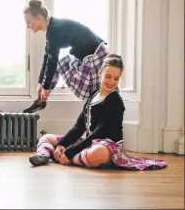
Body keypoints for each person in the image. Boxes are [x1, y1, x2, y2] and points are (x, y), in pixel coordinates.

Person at [28, 54, 167, 171]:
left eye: (116, 78)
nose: (111, 82)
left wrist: (70, 152)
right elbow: (78, 127)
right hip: (88, 143)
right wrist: (61, 145)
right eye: (108, 76)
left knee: (97, 153)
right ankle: (44, 156)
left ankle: (64, 158)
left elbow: (99, 133)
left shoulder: (114, 100)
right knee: (46, 138)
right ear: (100, 73)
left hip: (106, 147)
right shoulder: (93, 95)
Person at [22, 0, 110, 113]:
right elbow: (47, 58)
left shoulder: (54, 29)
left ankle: (42, 98)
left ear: (38, 17)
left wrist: (45, 87)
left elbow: (52, 61)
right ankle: (40, 100)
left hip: (96, 56)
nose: (27, 26)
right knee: (57, 65)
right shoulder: (52, 28)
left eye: (28, 22)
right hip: (89, 56)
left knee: (97, 99)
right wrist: (41, 85)